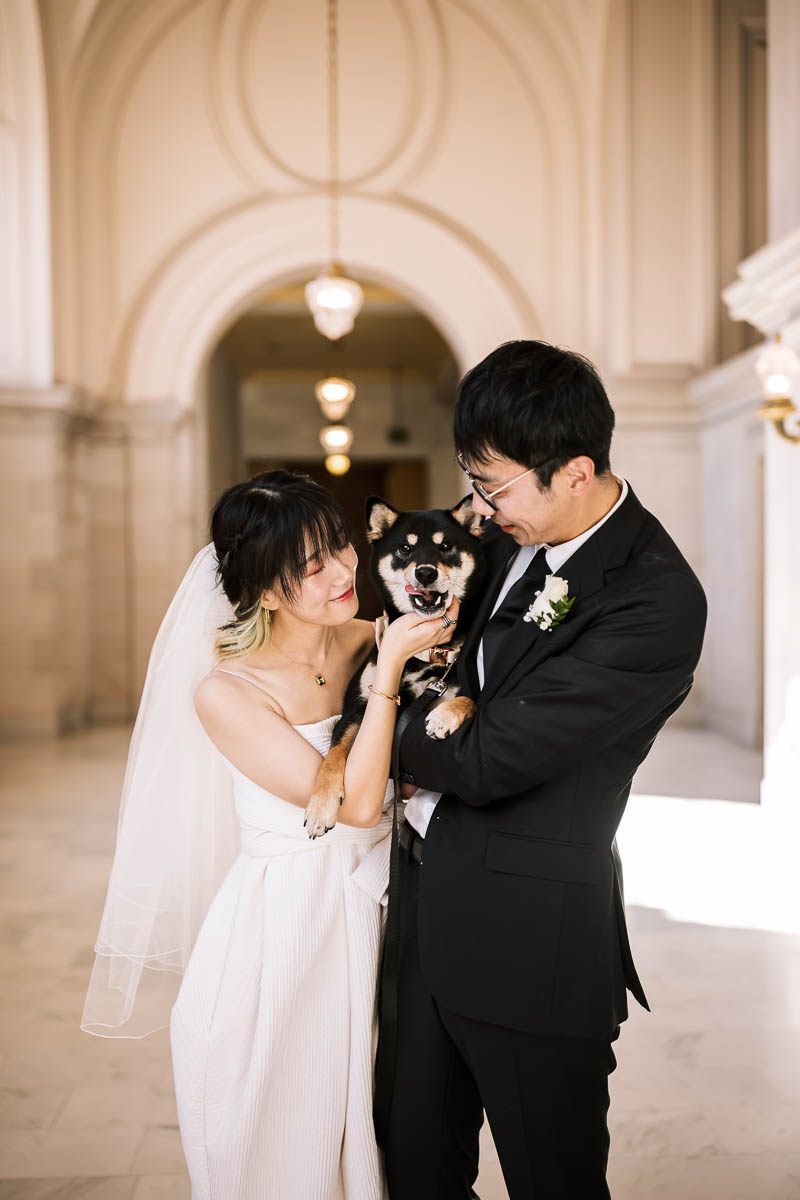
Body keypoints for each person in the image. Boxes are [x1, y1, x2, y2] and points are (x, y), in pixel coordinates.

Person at [375, 341, 708, 1199]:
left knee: (550, 1179)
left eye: (494, 486)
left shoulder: (655, 597)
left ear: (575, 471)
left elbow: (489, 760)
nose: (478, 509)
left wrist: (379, 715)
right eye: (472, 482)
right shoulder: (503, 538)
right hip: (420, 918)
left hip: (530, 942)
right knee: (414, 1168)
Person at [82, 469, 457, 1200]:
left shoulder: (371, 639)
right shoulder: (227, 692)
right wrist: (386, 677)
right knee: (286, 1130)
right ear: (261, 590)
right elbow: (350, 805)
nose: (343, 571)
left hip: (383, 909)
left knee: (382, 1128)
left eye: (339, 546)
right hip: (287, 927)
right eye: (309, 568)